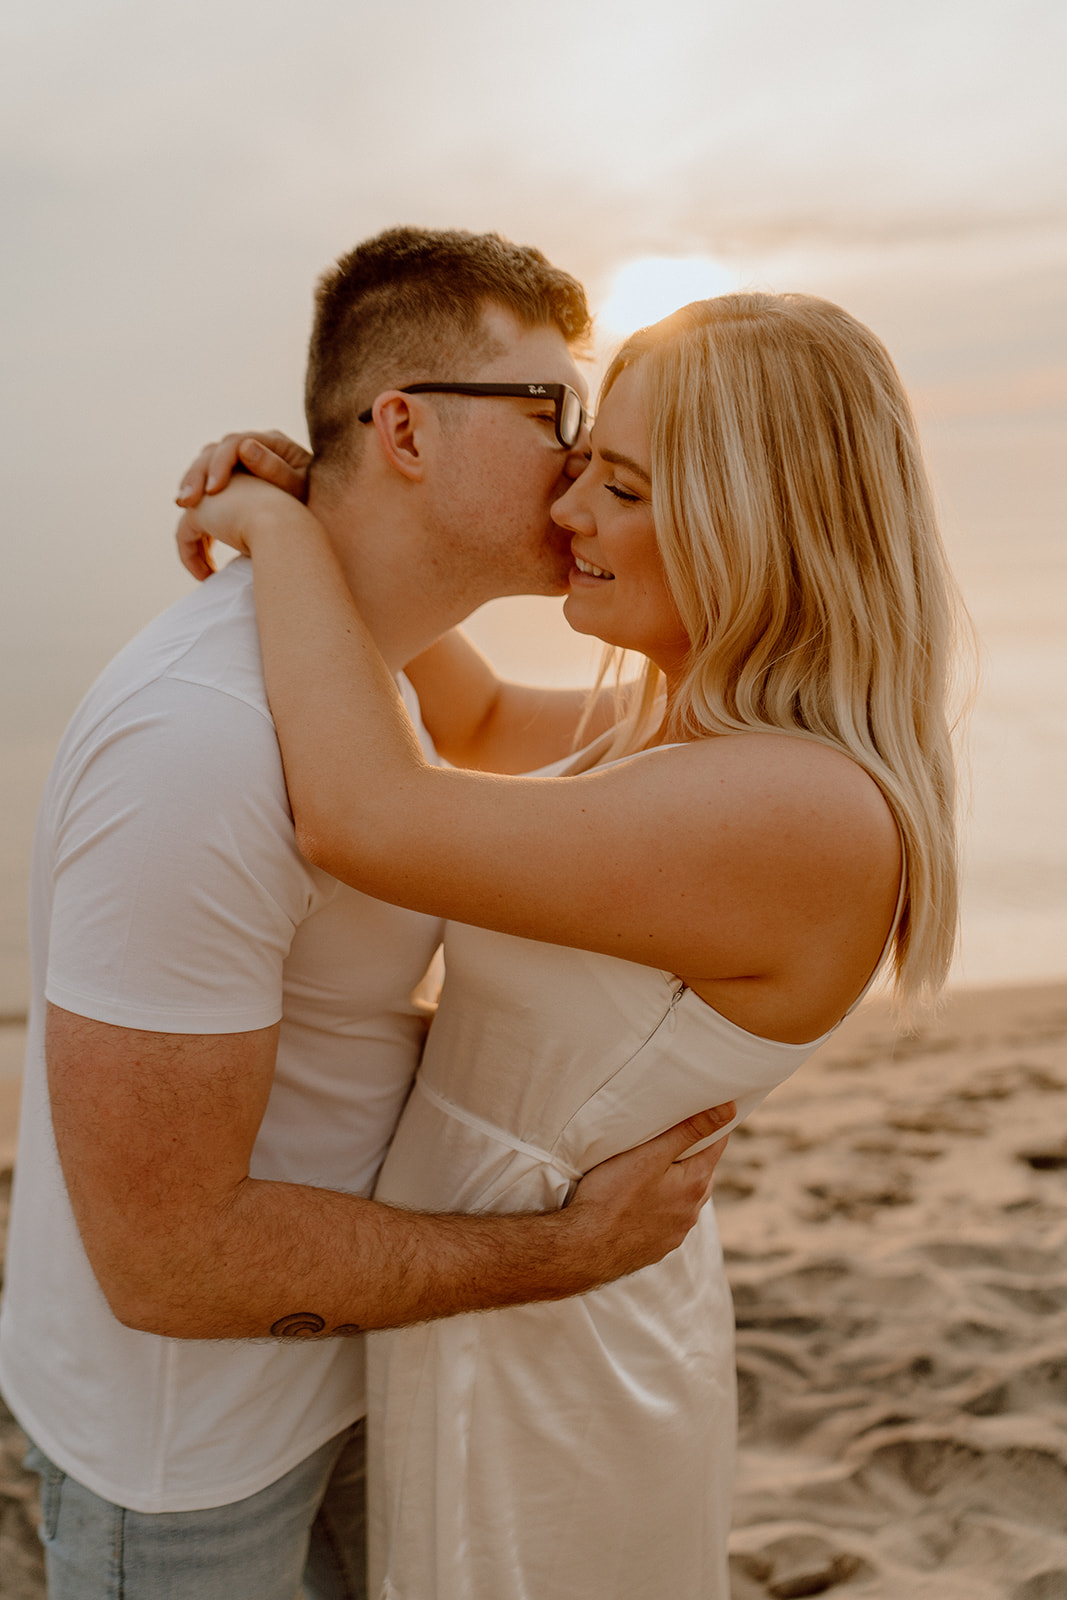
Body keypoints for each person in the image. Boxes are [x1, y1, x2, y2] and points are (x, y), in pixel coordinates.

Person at [176, 288, 962, 1600]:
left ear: (755, 519)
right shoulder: (684, 734)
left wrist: (270, 529)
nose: (567, 513)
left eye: (625, 489)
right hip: (506, 1303)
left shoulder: (802, 809)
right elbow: (469, 715)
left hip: (560, 1366)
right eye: (583, 464)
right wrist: (336, 503)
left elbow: (365, 816)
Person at [0, 228, 735, 1600]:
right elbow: (163, 1262)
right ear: (402, 428)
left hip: (349, 1368)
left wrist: (795, 727)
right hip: (191, 1454)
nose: (579, 466)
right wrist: (568, 1253)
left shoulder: (357, 670)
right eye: (552, 416)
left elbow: (526, 730)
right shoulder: (202, 747)